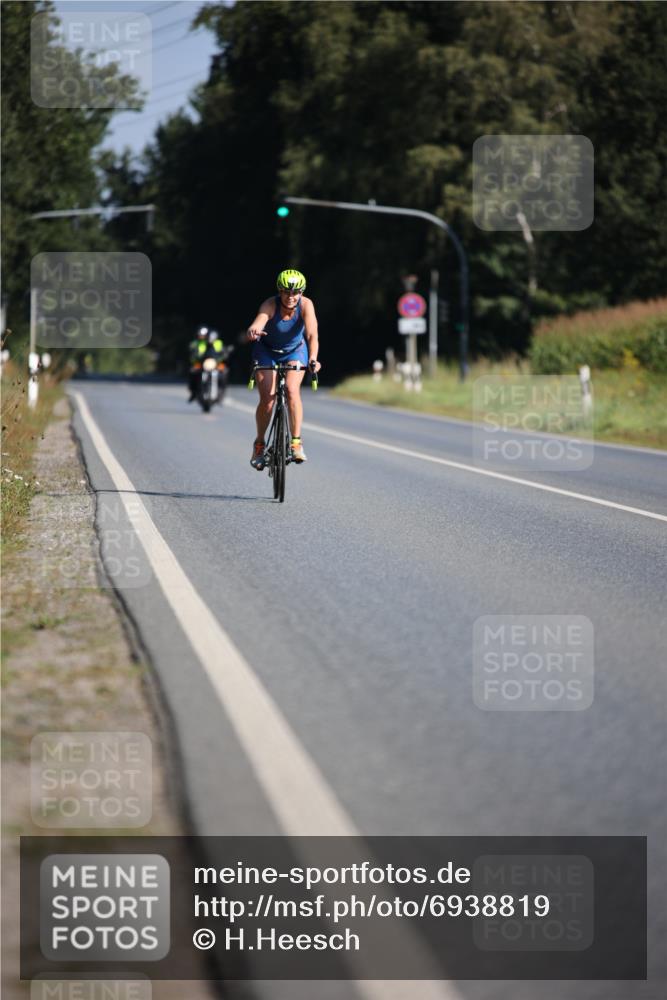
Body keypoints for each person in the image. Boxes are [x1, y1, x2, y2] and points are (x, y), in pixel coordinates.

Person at [247, 269, 320, 469]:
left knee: (291, 390)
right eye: (286, 292)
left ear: (301, 293)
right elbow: (259, 320)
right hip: (267, 351)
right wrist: (254, 330)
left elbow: (312, 334)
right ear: (279, 291)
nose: (291, 296)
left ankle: (296, 442)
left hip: (295, 351)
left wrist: (313, 358)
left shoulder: (306, 305)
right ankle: (260, 444)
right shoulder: (270, 304)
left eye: (296, 292)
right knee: (268, 401)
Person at [187, 326, 209, 401]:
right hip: (198, 364)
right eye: (200, 335)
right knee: (192, 372)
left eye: (203, 335)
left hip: (208, 364)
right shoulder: (195, 343)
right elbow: (191, 352)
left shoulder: (210, 343)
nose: (202, 336)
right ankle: (193, 391)